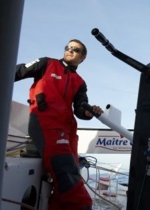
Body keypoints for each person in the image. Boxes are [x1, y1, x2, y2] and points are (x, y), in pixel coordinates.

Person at [15, 39, 103, 210]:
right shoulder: (46, 64)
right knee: (67, 175)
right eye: (67, 47)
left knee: (71, 174)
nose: (70, 50)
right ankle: (83, 206)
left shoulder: (80, 82)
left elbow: (79, 108)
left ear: (83, 57)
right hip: (45, 122)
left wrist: (88, 111)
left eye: (75, 49)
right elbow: (17, 71)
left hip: (67, 131)